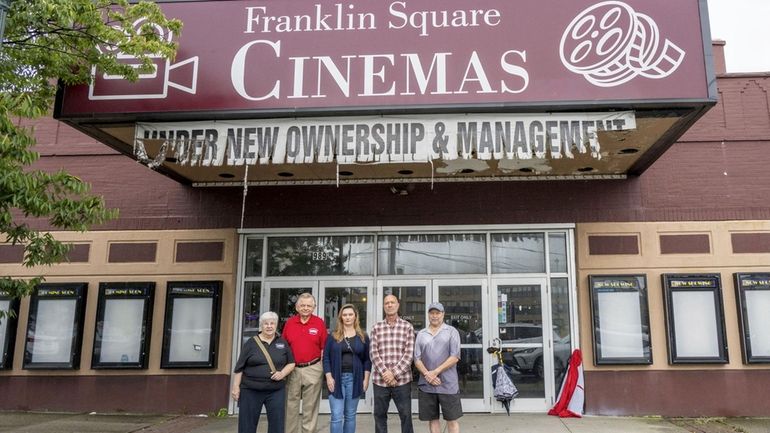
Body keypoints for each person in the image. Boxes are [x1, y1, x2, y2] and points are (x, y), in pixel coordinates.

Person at [232, 311, 296, 433]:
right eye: (266, 324)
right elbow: (239, 367)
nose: (269, 326)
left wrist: (282, 373)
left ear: (276, 325)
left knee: (277, 425)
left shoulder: (282, 342)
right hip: (251, 389)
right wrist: (236, 387)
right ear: (261, 325)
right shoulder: (251, 343)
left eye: (272, 323)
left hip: (275, 390)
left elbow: (291, 363)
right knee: (247, 425)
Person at [414, 302, 462, 433]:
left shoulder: (452, 332)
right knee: (432, 419)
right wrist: (427, 375)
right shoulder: (421, 334)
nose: (434, 316)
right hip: (427, 385)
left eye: (437, 313)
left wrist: (434, 372)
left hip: (448, 384)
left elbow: (455, 356)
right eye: (432, 313)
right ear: (428, 314)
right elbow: (416, 359)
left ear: (443, 314)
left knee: (452, 420)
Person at [323, 304, 372, 433]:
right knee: (336, 416)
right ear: (341, 317)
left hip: (354, 379)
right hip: (336, 379)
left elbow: (367, 360)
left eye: (350, 314)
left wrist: (366, 380)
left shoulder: (363, 336)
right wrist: (328, 377)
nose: (348, 317)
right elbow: (326, 358)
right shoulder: (333, 336)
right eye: (345, 315)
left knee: (350, 416)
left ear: (355, 317)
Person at [283, 293, 328, 433]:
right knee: (291, 406)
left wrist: (323, 368)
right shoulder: (290, 323)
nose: (305, 308)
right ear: (297, 307)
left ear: (314, 307)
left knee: (310, 406)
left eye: (309, 305)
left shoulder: (319, 322)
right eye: (302, 305)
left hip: (313, 368)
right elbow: (283, 346)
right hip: (293, 369)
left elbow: (324, 347)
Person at [370, 294, 415, 433]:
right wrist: (386, 374)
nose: (389, 305)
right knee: (379, 416)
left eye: (392, 302)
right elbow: (373, 353)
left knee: (406, 415)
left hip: (402, 381)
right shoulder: (376, 328)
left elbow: (409, 355)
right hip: (380, 382)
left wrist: (393, 374)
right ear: (384, 307)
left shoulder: (407, 327)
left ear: (398, 305)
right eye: (386, 303)